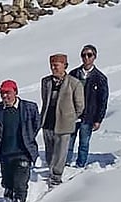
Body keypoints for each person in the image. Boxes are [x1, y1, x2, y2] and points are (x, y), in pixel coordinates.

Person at [0, 80, 41, 202]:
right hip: (5, 152)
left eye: (7, 92)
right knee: (8, 181)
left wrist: (28, 137)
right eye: (2, 93)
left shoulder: (29, 107)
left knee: (20, 182)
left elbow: (36, 123)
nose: (4, 96)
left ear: (15, 92)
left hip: (23, 152)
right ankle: (8, 197)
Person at [40, 53, 84, 186]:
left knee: (60, 152)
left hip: (64, 123)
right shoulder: (46, 82)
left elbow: (80, 105)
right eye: (52, 65)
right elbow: (45, 100)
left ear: (64, 66)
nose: (54, 68)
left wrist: (70, 117)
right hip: (48, 121)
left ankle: (56, 176)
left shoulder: (74, 83)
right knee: (49, 150)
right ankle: (50, 170)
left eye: (56, 65)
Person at [68, 45, 109, 168]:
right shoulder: (73, 74)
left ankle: (80, 164)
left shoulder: (100, 78)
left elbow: (103, 100)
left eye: (89, 55)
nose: (86, 58)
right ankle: (65, 163)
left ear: (94, 57)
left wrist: (98, 119)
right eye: (84, 55)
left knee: (84, 143)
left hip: (89, 116)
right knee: (68, 142)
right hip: (73, 115)